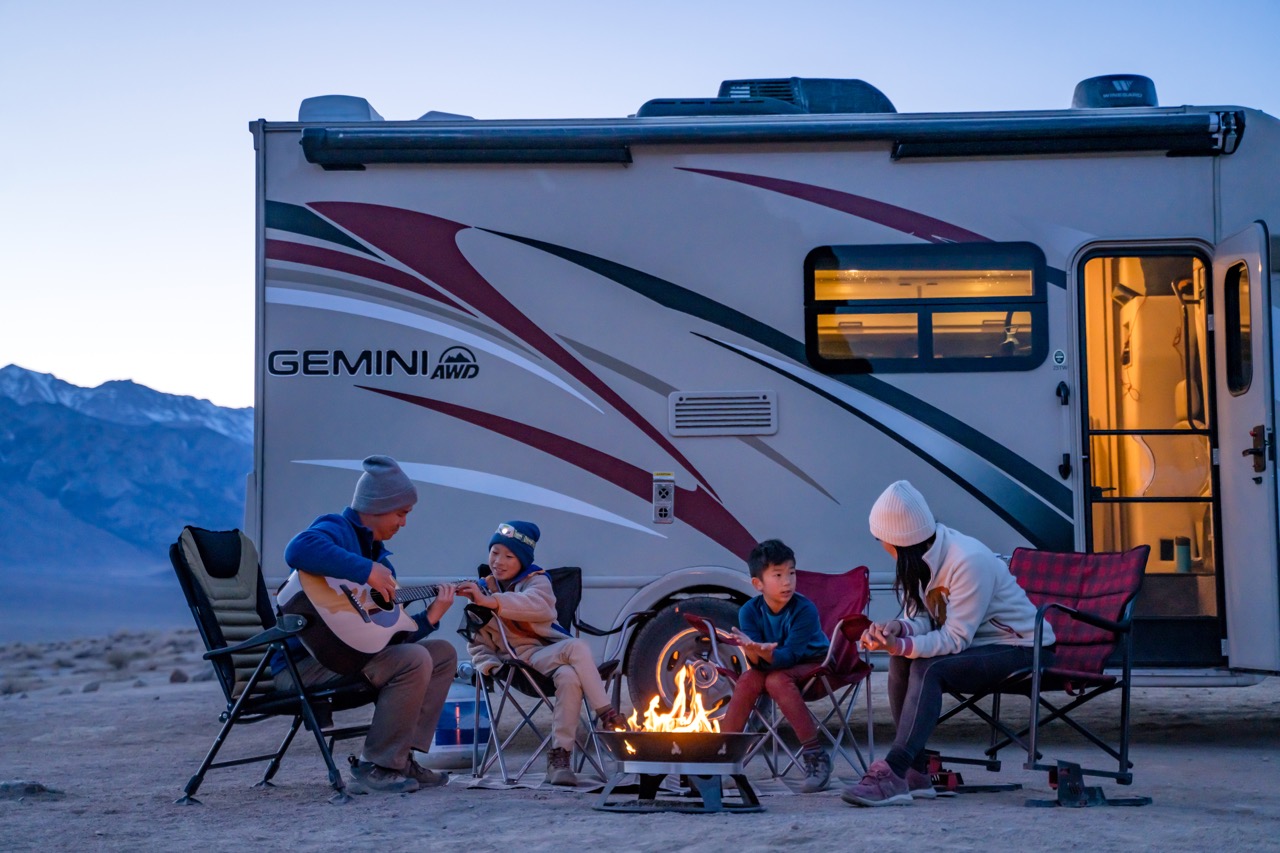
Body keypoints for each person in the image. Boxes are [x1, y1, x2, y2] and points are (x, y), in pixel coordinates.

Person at [842, 480, 1055, 807]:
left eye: (880, 538)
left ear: (899, 540)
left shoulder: (967, 561)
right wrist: (897, 629)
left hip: (1023, 647)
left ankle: (894, 771)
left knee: (929, 666)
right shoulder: (921, 562)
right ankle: (914, 773)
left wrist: (902, 645)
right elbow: (926, 618)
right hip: (982, 645)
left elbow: (955, 638)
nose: (880, 545)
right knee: (904, 659)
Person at [273, 455, 459, 795]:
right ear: (378, 506)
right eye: (401, 513)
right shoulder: (338, 530)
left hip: (349, 658)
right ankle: (379, 765)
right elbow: (298, 549)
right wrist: (365, 570)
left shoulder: (379, 556)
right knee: (414, 659)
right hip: (306, 663)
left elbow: (388, 637)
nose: (403, 523)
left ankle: (402, 758)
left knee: (442, 654)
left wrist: (432, 617)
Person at [457, 521, 629, 786]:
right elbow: (476, 640)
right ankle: (607, 715)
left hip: (545, 653)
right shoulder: (480, 590)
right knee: (577, 650)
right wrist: (488, 665)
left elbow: (540, 609)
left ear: (523, 560)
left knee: (571, 675)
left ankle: (560, 758)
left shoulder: (537, 581)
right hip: (516, 663)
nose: (499, 561)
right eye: (494, 552)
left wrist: (493, 602)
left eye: (509, 556)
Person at [720, 539, 833, 793]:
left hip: (815, 664)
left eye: (791, 573)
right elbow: (757, 659)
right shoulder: (749, 611)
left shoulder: (804, 609)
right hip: (776, 665)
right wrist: (754, 652)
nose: (787, 582)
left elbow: (790, 656)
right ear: (758, 584)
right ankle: (724, 759)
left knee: (776, 680)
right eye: (778, 575)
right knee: (749, 678)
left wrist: (765, 655)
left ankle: (816, 756)